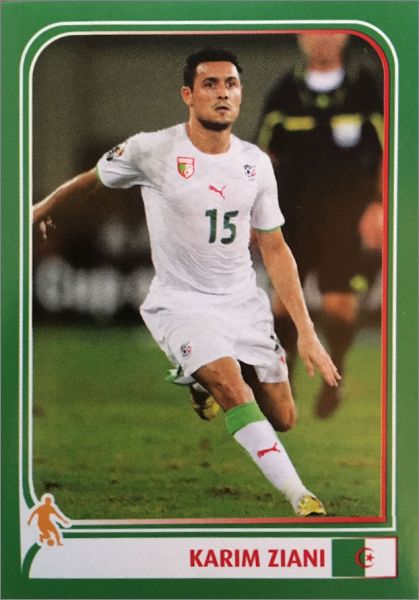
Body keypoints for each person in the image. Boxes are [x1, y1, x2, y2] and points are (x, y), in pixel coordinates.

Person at [33, 48, 340, 517]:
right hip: (181, 303)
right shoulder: (152, 150)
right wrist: (41, 208)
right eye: (210, 84)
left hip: (241, 303)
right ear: (188, 95)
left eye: (231, 84)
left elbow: (275, 247)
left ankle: (199, 380)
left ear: (241, 94)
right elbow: (93, 179)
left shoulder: (255, 163)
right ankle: (300, 495)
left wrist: (307, 332)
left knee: (284, 416)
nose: (222, 93)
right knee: (234, 389)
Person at [256, 33, 383, 418]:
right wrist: (254, 210)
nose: (323, 39)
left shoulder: (365, 88)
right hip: (292, 215)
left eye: (332, 31)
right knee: (284, 301)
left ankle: (334, 377)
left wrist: (379, 204)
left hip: (347, 217)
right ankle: (286, 378)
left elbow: (390, 150)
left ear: (345, 36)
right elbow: (262, 155)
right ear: (302, 37)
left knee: (339, 304)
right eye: (315, 31)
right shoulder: (285, 91)